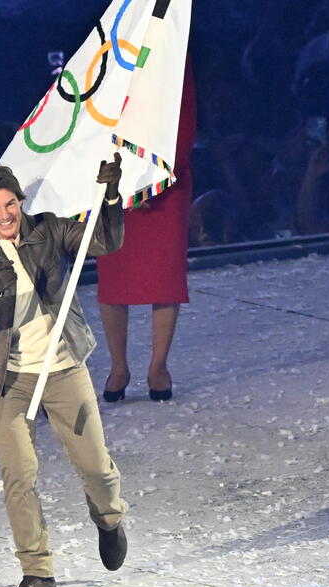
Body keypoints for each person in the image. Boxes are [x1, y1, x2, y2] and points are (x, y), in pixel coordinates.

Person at [0, 159, 128, 587]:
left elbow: (104, 241)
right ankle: (37, 572)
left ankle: (108, 518)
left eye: (10, 204)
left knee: (95, 466)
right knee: (18, 476)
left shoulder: (48, 231)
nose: (5, 215)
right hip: (10, 380)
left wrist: (109, 196)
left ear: (20, 202)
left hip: (64, 367)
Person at [95, 63, 196, 402]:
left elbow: (183, 123)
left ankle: (158, 366)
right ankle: (118, 366)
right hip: (114, 177)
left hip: (165, 182)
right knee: (113, 275)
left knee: (164, 276)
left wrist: (152, 183)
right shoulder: (115, 47)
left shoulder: (174, 54)